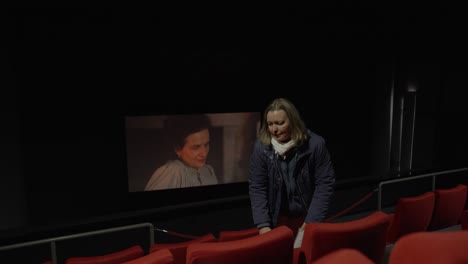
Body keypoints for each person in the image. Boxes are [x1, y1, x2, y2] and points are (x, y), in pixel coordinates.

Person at [248, 98, 335, 247]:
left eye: (280, 123)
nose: (274, 129)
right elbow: (257, 187)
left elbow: (324, 184)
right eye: (270, 124)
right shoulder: (261, 148)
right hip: (278, 217)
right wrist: (263, 225)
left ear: (293, 121)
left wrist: (311, 222)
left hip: (308, 214)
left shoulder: (315, 144)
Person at [144, 114, 218, 190]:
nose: (204, 153)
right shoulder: (173, 172)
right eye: (196, 147)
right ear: (178, 149)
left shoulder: (208, 171)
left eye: (206, 145)